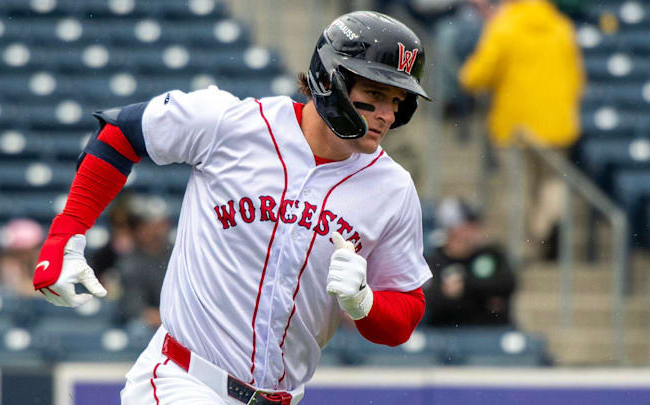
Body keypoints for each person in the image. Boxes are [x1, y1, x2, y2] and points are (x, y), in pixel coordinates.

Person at [31, 11, 431, 405]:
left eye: (397, 100)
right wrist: (66, 233)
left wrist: (365, 303)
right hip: (183, 380)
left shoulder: (393, 189)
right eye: (375, 94)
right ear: (330, 79)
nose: (387, 114)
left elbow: (405, 314)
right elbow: (122, 132)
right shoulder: (233, 123)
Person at [458, 0, 585, 258]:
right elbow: (577, 77)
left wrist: (467, 77)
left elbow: (478, 74)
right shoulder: (561, 27)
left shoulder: (505, 26)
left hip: (516, 125)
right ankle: (548, 225)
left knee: (519, 187)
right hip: (557, 123)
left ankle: (523, 248)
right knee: (552, 182)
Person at [423, 197, 516, 326]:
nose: (475, 231)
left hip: (490, 332)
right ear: (452, 230)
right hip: (447, 335)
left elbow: (507, 284)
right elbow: (430, 300)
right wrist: (483, 296)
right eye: (469, 226)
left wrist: (464, 286)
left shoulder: (490, 255)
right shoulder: (434, 261)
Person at [117, 195, 172, 330]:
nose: (154, 231)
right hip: (147, 328)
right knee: (137, 328)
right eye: (149, 225)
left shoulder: (177, 255)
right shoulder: (131, 263)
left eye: (160, 224)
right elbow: (135, 310)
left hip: (176, 322)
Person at [0, 218, 44, 297]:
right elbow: (15, 289)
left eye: (21, 251)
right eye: (15, 251)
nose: (17, 254)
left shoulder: (42, 261)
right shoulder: (7, 264)